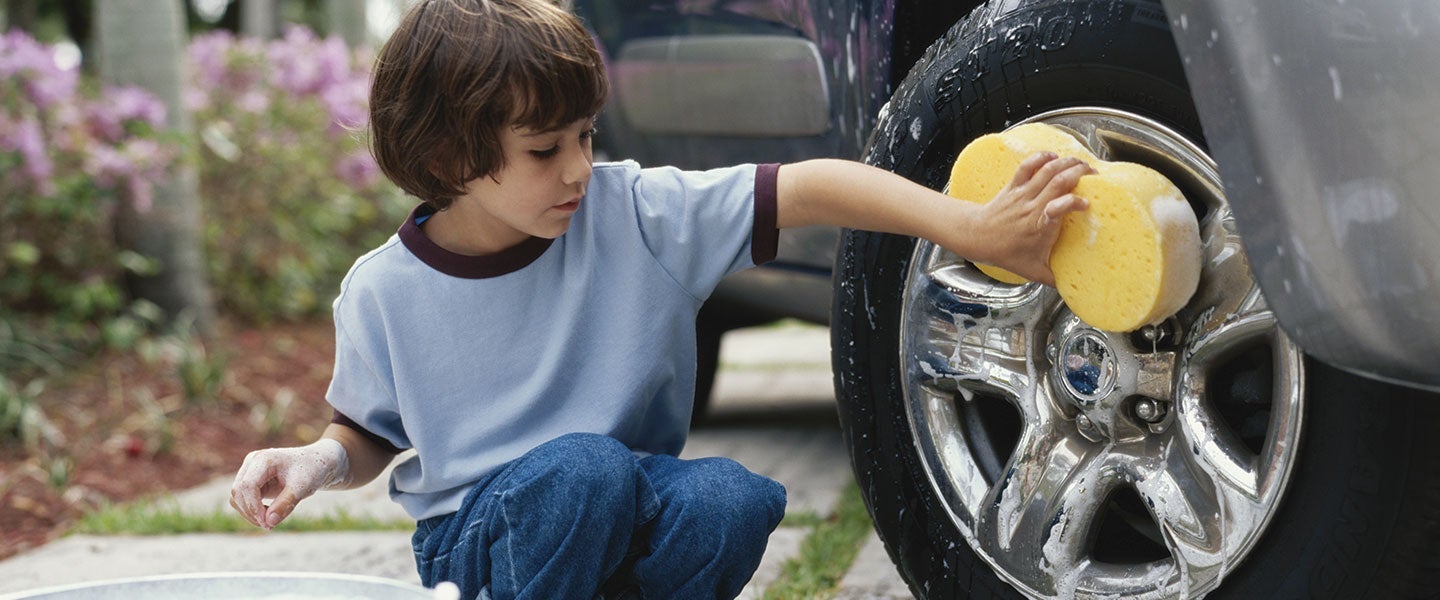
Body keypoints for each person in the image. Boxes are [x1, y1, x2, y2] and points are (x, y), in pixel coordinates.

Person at [228, 0, 1092, 598]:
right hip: (482, 538)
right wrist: (313, 461)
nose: (577, 168)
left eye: (585, 136)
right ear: (450, 155)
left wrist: (969, 227)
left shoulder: (631, 210)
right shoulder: (384, 291)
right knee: (582, 470)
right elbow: (370, 433)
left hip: (623, 495)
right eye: (543, 151)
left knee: (730, 497)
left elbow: (810, 186)